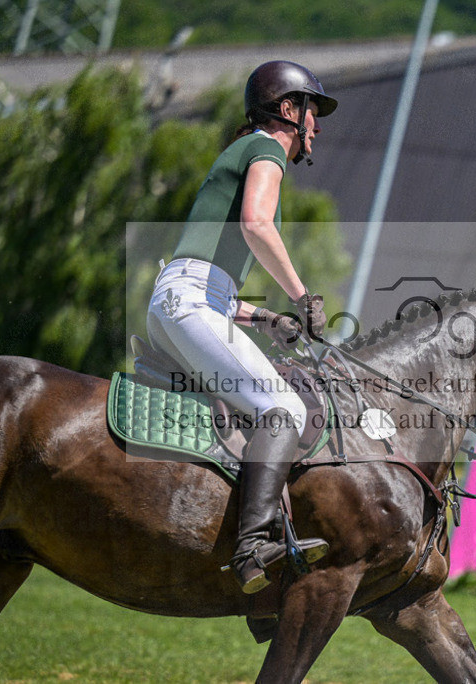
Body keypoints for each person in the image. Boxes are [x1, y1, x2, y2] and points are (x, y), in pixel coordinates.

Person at [145, 60, 337, 594]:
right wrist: (301, 296)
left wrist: (266, 317)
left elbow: (212, 280)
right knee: (284, 409)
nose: (316, 127)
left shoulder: (247, 149)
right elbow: (256, 224)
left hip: (186, 298)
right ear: (287, 110)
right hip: (190, 301)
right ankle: (252, 549)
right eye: (312, 113)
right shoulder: (267, 148)